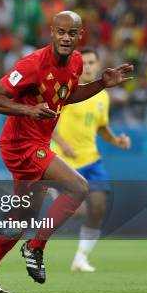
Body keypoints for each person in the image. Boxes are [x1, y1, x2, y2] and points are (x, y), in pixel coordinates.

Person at [0, 11, 133, 293]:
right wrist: (29, 109)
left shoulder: (77, 62)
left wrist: (101, 84)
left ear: (81, 36)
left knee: (22, 218)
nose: (66, 38)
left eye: (72, 33)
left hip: (38, 144)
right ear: (51, 32)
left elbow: (66, 96)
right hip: (20, 145)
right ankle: (35, 247)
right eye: (60, 32)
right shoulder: (32, 64)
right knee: (78, 187)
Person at [52, 49, 131, 272]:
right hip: (65, 161)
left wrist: (117, 140)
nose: (87, 66)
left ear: (98, 66)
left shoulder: (103, 96)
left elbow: (101, 128)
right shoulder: (68, 90)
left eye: (91, 62)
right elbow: (48, 121)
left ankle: (81, 258)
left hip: (91, 159)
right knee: (79, 212)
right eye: (83, 62)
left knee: (98, 208)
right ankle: (52, 189)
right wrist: (63, 143)